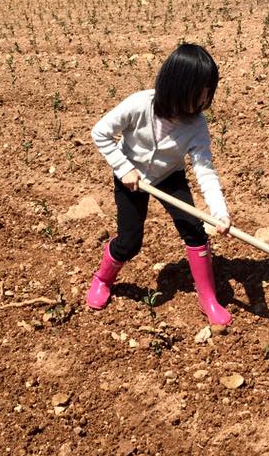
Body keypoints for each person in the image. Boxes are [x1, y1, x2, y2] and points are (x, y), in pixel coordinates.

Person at [86, 43, 232, 326]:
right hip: (130, 178)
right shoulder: (139, 104)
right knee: (129, 241)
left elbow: (205, 170)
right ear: (179, 86)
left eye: (207, 96)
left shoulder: (196, 125)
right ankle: (103, 279)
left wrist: (219, 212)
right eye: (201, 95)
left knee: (195, 231)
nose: (204, 103)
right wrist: (124, 168)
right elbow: (100, 132)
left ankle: (208, 297)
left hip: (169, 177)